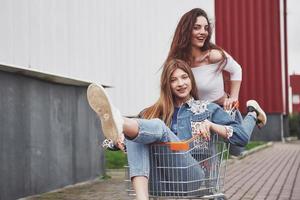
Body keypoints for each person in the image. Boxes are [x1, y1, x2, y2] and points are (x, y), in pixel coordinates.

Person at [86, 59, 266, 200]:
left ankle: (120, 120)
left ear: (191, 79)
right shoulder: (152, 111)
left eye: (184, 77)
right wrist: (118, 140)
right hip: (158, 181)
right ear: (167, 85)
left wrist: (211, 125)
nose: (180, 83)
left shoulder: (207, 109)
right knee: (138, 134)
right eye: (174, 80)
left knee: (157, 127)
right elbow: (108, 143)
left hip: (192, 177)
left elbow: (241, 139)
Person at [164, 8, 267, 155]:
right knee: (203, 154)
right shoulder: (179, 61)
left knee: (237, 149)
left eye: (206, 28)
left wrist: (234, 97)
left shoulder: (212, 55)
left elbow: (236, 69)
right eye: (197, 27)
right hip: (198, 113)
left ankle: (252, 113)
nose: (203, 32)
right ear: (186, 30)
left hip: (220, 109)